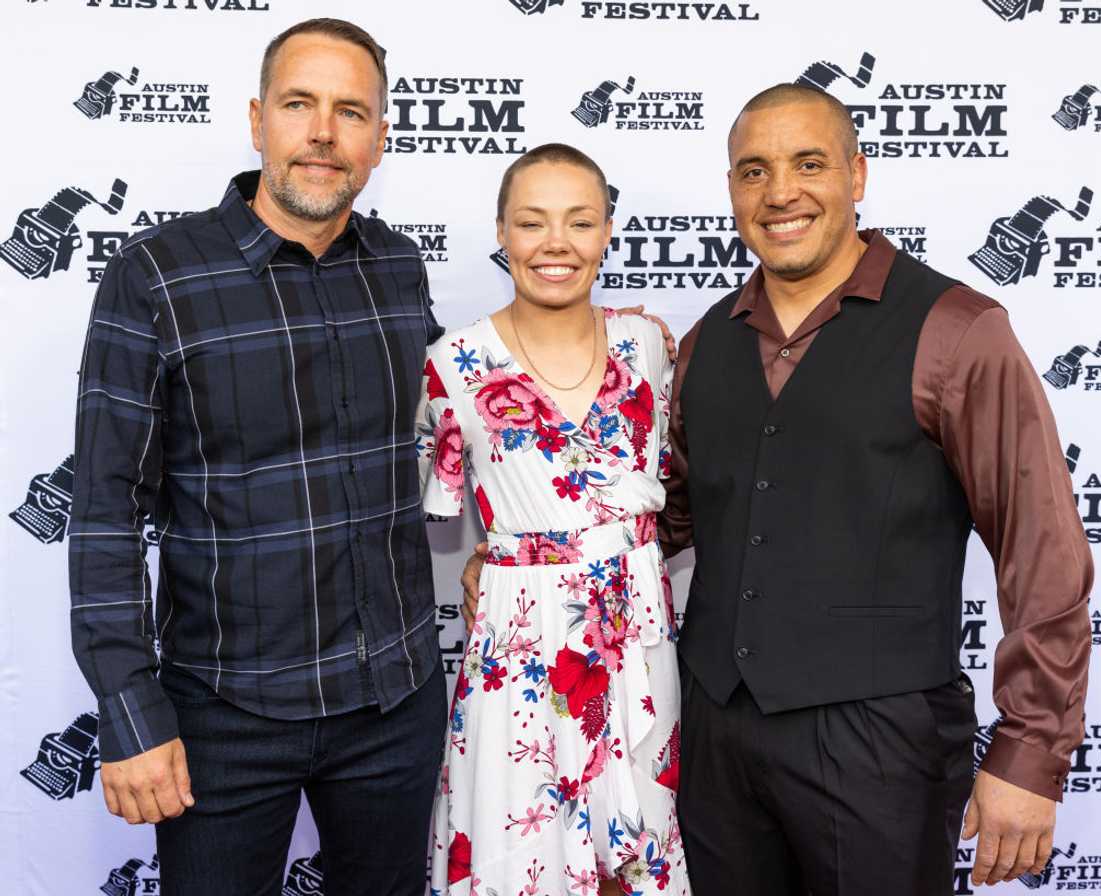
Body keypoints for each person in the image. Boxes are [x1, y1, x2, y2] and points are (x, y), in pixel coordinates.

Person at [658, 84, 1092, 893]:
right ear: (731, 191)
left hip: (881, 743)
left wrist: (1032, 752)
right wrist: (531, 559)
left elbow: (1042, 550)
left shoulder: (957, 331)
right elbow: (666, 518)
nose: (780, 192)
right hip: (715, 730)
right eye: (754, 171)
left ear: (858, 175)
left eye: (809, 163)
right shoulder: (699, 346)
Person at [69, 19, 447, 895]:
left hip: (395, 701)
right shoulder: (157, 275)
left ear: (381, 138)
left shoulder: (399, 269)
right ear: (256, 120)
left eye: (351, 111)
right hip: (223, 719)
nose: (323, 132)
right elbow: (103, 508)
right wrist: (129, 710)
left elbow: (470, 424)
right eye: (299, 104)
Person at [422, 144, 689, 895]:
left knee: (641, 842)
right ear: (501, 233)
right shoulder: (453, 364)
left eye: (579, 221)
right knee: (521, 842)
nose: (556, 243)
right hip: (520, 640)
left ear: (608, 232)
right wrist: (495, 560)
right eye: (532, 222)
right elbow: (448, 510)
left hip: (637, 630)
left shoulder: (650, 346)